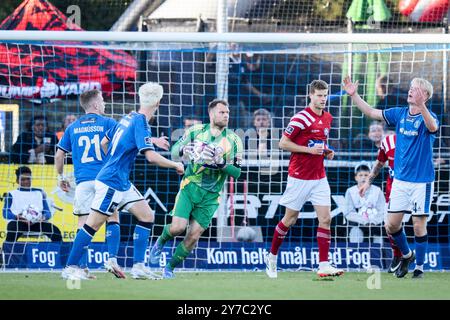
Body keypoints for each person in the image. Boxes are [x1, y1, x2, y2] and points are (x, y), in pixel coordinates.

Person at [61, 82, 184, 280]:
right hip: (112, 180)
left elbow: (104, 142)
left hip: (120, 180)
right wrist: (176, 165)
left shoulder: (129, 117)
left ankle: (138, 266)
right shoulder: (141, 122)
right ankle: (70, 267)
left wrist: (113, 161)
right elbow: (151, 157)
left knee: (147, 215)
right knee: (91, 225)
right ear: (159, 102)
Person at [343, 75, 438, 278]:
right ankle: (407, 254)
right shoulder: (399, 114)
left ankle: (419, 268)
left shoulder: (428, 117)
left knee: (418, 224)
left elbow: (433, 128)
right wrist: (354, 95)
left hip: (422, 181)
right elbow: (370, 111)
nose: (410, 90)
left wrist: (422, 107)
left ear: (425, 95)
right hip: (401, 181)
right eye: (410, 87)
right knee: (392, 224)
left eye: (416, 88)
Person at [149, 99, 243, 279]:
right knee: (177, 228)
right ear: (211, 114)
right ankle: (160, 242)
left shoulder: (234, 139)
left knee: (193, 235)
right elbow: (175, 150)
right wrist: (185, 151)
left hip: (211, 196)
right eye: (222, 112)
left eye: (227, 113)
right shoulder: (195, 131)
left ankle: (169, 268)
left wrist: (220, 163)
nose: (226, 115)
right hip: (190, 187)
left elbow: (237, 172)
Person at [264, 80, 343, 278]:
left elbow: (318, 144)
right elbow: (282, 143)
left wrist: (326, 151)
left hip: (319, 177)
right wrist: (309, 150)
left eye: (325, 95)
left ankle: (324, 264)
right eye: (319, 95)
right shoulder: (300, 118)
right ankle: (272, 258)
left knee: (326, 219)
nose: (323, 99)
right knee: (290, 219)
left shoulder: (328, 118)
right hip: (299, 177)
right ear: (311, 95)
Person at [55, 90, 123, 279]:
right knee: (112, 217)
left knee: (83, 223)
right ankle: (112, 259)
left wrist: (60, 177)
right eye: (102, 100)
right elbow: (121, 145)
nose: (104, 104)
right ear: (94, 105)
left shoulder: (72, 127)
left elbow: (59, 155)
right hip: (105, 179)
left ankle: (81, 268)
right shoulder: (109, 123)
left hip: (83, 181)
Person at [360, 133, 403, 272]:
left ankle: (419, 266)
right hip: (393, 191)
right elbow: (379, 163)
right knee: (389, 226)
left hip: (415, 187)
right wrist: (367, 182)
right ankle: (398, 256)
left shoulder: (417, 139)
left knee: (418, 224)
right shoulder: (388, 141)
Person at [2, 166, 62, 242]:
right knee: (12, 229)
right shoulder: (11, 194)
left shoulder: (39, 193)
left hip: (37, 222)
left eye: (28, 179)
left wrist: (44, 217)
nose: (26, 181)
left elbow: (47, 212)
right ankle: (8, 252)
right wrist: (17, 217)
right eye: (23, 179)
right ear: (17, 181)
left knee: (55, 232)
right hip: (19, 222)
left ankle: (60, 252)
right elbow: (5, 213)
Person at [344, 162, 385, 243]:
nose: (363, 178)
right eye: (360, 175)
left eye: (366, 175)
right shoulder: (350, 191)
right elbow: (348, 212)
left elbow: (382, 211)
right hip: (357, 223)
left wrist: (374, 221)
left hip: (374, 224)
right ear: (356, 177)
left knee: (379, 237)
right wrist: (363, 220)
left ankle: (378, 253)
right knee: (355, 233)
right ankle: (356, 254)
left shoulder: (377, 190)